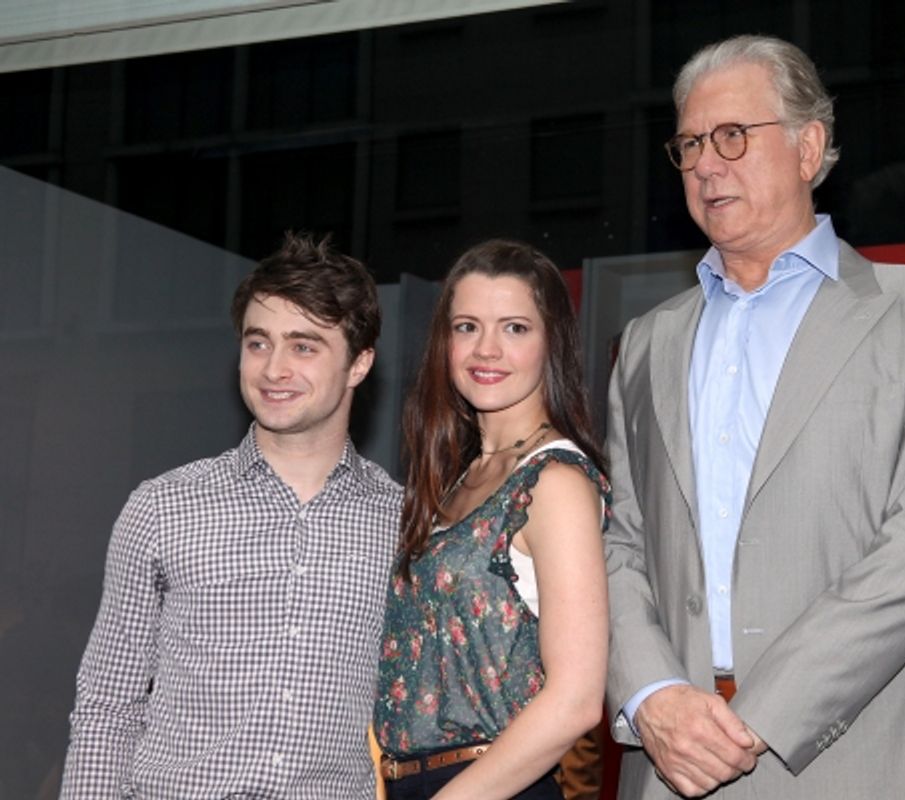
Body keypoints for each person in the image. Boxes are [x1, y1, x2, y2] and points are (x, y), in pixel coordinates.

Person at [604, 34, 905, 799]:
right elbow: (620, 543)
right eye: (689, 145)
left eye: (732, 136)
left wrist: (759, 715)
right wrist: (652, 695)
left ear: (809, 148)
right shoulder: (648, 343)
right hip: (673, 758)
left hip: (865, 757)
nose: (706, 164)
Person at [61, 232, 402, 798]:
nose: (273, 368)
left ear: (359, 363)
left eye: (304, 347)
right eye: (258, 342)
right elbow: (107, 704)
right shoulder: (164, 507)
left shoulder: (403, 523)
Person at [374, 239, 610, 800]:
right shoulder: (459, 477)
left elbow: (577, 700)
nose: (486, 350)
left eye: (515, 328)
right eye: (467, 327)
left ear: (552, 341)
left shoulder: (554, 481)